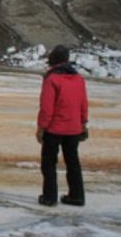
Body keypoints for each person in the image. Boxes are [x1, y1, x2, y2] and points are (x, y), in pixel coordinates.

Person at [36, 45, 88, 207]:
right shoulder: (79, 79)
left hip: (54, 128)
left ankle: (50, 196)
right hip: (73, 128)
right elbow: (83, 104)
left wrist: (41, 128)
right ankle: (77, 195)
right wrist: (83, 123)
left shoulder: (52, 79)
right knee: (73, 161)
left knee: (49, 163)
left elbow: (47, 107)